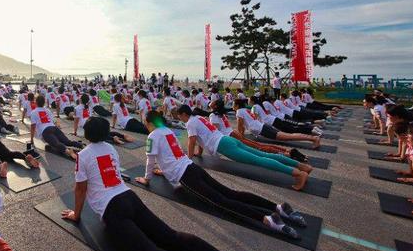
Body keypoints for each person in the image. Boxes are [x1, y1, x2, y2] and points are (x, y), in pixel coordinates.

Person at [61, 117, 264, 251]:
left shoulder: (83, 155)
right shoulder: (110, 149)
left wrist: (76, 215)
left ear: (86, 134)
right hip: (130, 198)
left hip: (112, 210)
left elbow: (80, 189)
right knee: (170, 236)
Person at [137, 111, 305, 239]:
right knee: (231, 194)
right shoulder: (168, 131)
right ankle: (277, 207)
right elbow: (170, 156)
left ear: (149, 122)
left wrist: (147, 178)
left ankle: (267, 219)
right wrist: (164, 171)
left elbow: (150, 160)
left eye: (145, 121)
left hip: (186, 176)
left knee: (221, 202)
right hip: (192, 168)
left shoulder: (152, 136)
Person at [177, 105, 311, 191]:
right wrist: (198, 154)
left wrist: (188, 158)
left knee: (259, 160)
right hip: (228, 139)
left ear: (183, 114)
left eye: (179, 115)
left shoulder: (190, 123)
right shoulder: (199, 117)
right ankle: (302, 166)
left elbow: (192, 141)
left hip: (224, 144)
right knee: (263, 155)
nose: (179, 118)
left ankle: (298, 174)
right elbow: (201, 139)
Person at [234, 100, 320, 149]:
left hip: (262, 129)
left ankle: (314, 138)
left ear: (237, 105)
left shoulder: (239, 112)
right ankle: (313, 138)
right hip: (263, 127)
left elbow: (240, 127)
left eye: (234, 104)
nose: (233, 106)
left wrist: (240, 138)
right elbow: (243, 128)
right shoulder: (245, 110)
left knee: (289, 137)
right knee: (288, 136)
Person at [29, 95, 81, 161]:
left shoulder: (33, 112)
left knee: (57, 144)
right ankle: (80, 145)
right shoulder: (47, 110)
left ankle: (69, 152)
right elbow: (55, 121)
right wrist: (58, 129)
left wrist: (31, 140)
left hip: (45, 131)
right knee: (67, 141)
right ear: (44, 102)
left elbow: (32, 127)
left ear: (36, 102)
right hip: (54, 128)